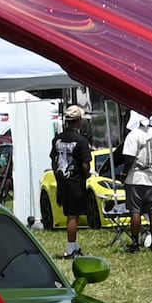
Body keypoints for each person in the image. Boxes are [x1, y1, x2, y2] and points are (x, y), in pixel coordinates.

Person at [47, 106, 99, 256]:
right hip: (76, 181)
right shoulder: (81, 141)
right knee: (73, 216)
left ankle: (75, 246)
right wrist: (87, 174)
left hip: (62, 179)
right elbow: (85, 164)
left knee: (70, 213)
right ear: (78, 121)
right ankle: (71, 250)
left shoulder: (57, 139)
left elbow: (53, 160)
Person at [122, 109, 152, 251]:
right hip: (151, 178)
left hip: (136, 178)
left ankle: (135, 243)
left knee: (135, 211)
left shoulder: (133, 135)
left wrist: (124, 173)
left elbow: (129, 157)